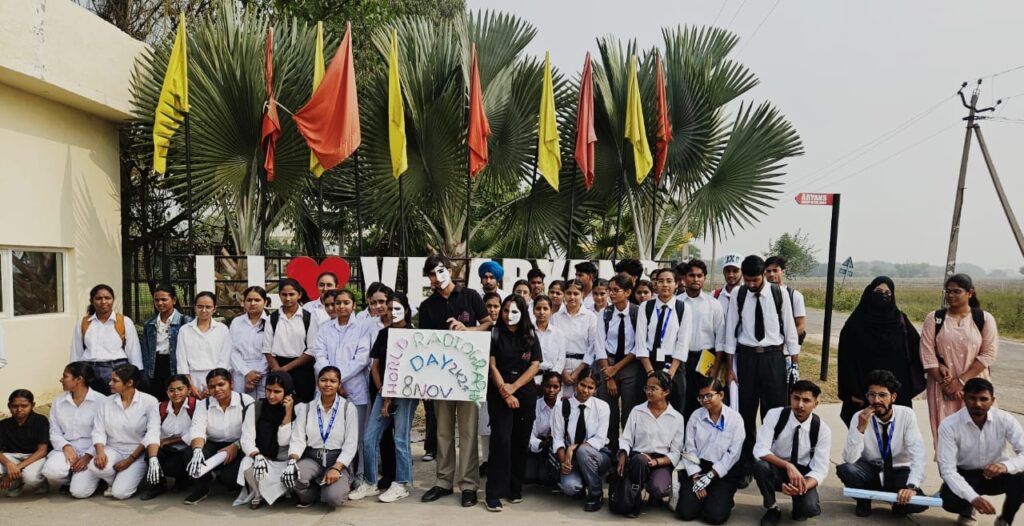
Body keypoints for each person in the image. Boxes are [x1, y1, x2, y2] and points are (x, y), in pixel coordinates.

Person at [417, 255, 491, 507]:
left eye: (440, 271)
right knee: (443, 432)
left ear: (449, 270)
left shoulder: (470, 296)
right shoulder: (427, 306)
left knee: (468, 432)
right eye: (431, 274)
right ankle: (443, 482)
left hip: (468, 376)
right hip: (440, 379)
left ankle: (468, 485)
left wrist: (467, 330)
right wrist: (424, 382)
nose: (436, 277)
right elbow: (424, 345)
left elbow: (488, 323)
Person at [724, 255, 801, 478]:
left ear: (763, 275)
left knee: (775, 411)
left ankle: (773, 463)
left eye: (754, 280)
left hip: (773, 358)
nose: (750, 284)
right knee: (746, 412)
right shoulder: (739, 294)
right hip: (747, 358)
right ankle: (747, 463)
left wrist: (794, 366)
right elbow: (730, 332)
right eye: (747, 280)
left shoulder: (779, 294)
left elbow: (790, 331)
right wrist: (729, 368)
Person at [351, 292, 416, 503]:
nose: (392, 312)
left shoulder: (416, 334)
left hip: (405, 394)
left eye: (397, 308)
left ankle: (402, 483)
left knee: (400, 438)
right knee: (369, 438)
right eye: (389, 308)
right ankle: (370, 481)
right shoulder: (384, 334)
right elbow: (375, 366)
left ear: (406, 309)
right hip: (384, 392)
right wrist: (382, 390)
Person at [920, 273, 999, 444]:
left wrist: (961, 382)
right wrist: (947, 385)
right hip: (942, 386)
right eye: (948, 291)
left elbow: (988, 353)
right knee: (946, 436)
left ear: (970, 293)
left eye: (957, 291)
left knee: (981, 435)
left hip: (976, 385)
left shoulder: (984, 319)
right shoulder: (934, 318)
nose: (951, 295)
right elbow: (927, 354)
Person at [837, 370, 927, 517]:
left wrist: (912, 486)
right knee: (847, 470)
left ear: (893, 397)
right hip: (871, 469)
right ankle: (864, 499)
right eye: (872, 395)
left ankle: (899, 502)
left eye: (882, 395)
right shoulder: (859, 417)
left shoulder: (906, 415)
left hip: (899, 470)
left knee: (917, 504)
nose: (876, 400)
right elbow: (850, 459)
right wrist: (860, 429)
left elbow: (918, 453)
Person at [837, 277, 925, 426]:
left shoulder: (900, 320)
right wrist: (852, 391)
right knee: (864, 433)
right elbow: (846, 360)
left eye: (887, 293)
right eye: (878, 292)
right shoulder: (855, 323)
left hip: (896, 391)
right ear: (869, 293)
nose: (883, 296)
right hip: (864, 391)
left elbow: (919, 348)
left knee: (897, 432)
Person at [938, 378, 1024, 526]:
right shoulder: (949, 425)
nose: (977, 404)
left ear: (992, 400)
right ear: (964, 398)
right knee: (949, 500)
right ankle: (966, 511)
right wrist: (973, 498)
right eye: (972, 398)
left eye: (983, 399)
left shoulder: (1005, 419)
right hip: (965, 474)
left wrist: (1005, 466)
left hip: (997, 474)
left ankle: (1005, 519)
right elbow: (947, 470)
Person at [483, 295, 542, 512]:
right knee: (501, 441)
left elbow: (535, 365)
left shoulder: (530, 334)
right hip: (499, 390)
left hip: (524, 391)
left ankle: (514, 488)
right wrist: (505, 392)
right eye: (506, 310)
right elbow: (491, 365)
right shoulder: (495, 333)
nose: (509, 315)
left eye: (514, 311)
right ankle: (493, 493)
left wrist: (514, 387)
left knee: (520, 440)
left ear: (523, 313)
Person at [73, 364, 161, 500]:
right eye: (111, 379)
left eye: (115, 380)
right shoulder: (105, 402)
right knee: (87, 480)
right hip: (112, 449)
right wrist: (100, 453)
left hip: (137, 453)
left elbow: (152, 433)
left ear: (129, 383)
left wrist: (130, 460)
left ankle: (128, 480)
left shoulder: (150, 402)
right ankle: (111, 481)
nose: (110, 383)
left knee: (120, 493)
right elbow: (98, 431)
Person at [310, 289, 372, 481]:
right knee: (331, 434)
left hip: (354, 388)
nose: (341, 306)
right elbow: (319, 355)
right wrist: (332, 381)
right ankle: (332, 472)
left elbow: (361, 359)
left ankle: (359, 475)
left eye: (346, 303)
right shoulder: (325, 328)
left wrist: (336, 380)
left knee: (357, 435)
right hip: (327, 389)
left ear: (354, 305)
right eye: (338, 303)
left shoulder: (363, 327)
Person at [751, 380, 832, 526]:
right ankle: (772, 507)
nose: (800, 405)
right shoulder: (775, 415)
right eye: (796, 398)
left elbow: (820, 469)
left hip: (802, 475)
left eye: (806, 400)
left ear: (816, 403)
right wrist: (788, 466)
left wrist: (803, 486)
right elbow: (760, 450)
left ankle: (799, 503)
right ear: (790, 398)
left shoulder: (822, 430)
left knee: (809, 509)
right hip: (778, 467)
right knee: (760, 466)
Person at [285, 366, 360, 509]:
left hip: (336, 459)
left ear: (339, 385)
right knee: (294, 474)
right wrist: (292, 461)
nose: (327, 384)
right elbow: (298, 438)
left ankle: (331, 488)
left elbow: (351, 444)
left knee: (333, 499)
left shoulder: (348, 408)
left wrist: (336, 468)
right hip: (312, 457)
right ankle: (311, 494)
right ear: (317, 383)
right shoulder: (307, 408)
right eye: (323, 380)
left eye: (333, 381)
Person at [615, 372, 686, 516]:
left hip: (661, 461)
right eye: (647, 388)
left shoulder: (677, 418)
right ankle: (634, 501)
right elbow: (626, 438)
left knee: (660, 488)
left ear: (666, 392)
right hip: (638, 459)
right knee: (641, 461)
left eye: (654, 389)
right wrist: (623, 454)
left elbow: (676, 452)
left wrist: (656, 462)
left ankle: (654, 495)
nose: (649, 392)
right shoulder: (637, 411)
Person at [677, 378, 746, 525]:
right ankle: (708, 498)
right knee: (685, 512)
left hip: (723, 470)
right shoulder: (696, 416)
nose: (704, 400)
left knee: (715, 517)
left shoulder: (735, 419)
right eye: (701, 397)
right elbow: (689, 448)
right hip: (700, 467)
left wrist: (710, 476)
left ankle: (722, 498)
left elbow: (733, 454)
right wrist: (696, 477)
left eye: (709, 395)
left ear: (721, 395)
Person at [183, 369, 255, 505]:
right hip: (213, 444)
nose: (217, 389)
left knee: (231, 478)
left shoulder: (246, 401)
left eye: (221, 384)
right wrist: (197, 450)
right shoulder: (204, 404)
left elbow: (253, 431)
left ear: (231, 384)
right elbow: (197, 429)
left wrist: (236, 445)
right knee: (190, 454)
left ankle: (224, 478)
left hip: (239, 445)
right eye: (212, 386)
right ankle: (202, 488)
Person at [593, 274, 642, 452]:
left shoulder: (638, 312)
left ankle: (627, 451)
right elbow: (600, 345)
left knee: (629, 410)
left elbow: (639, 346)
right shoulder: (605, 313)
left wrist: (616, 368)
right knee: (608, 411)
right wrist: (609, 375)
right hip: (607, 364)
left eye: (616, 290)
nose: (611, 294)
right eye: (610, 290)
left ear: (627, 292)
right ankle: (611, 450)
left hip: (629, 364)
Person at [236, 371, 297, 509]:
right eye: (268, 390)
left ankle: (283, 492)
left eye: (277, 391)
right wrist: (257, 455)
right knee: (247, 463)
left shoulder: (298, 409)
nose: (271, 395)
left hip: (286, 461)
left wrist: (288, 414)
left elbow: (284, 441)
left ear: (287, 392)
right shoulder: (256, 407)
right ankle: (258, 494)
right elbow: (246, 439)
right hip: (264, 458)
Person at [42, 362, 105, 493]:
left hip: (92, 449)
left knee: (79, 492)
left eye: (65, 376)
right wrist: (66, 446)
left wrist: (88, 456)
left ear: (79, 379)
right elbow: (54, 431)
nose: (61, 380)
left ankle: (97, 480)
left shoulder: (101, 401)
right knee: (51, 471)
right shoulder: (58, 402)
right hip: (66, 448)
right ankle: (70, 479)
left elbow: (104, 434)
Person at [635, 268, 692, 412]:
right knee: (646, 408)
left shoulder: (683, 308)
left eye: (669, 281)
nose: (665, 285)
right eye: (660, 281)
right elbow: (641, 342)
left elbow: (683, 343)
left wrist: (669, 375)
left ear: (676, 284)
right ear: (655, 284)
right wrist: (651, 374)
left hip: (673, 365)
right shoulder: (646, 307)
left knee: (675, 408)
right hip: (649, 363)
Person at [552, 374, 611, 512]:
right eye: (582, 385)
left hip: (598, 456)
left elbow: (600, 438)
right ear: (576, 383)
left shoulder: (602, 407)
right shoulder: (561, 406)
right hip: (572, 458)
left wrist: (574, 447)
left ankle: (596, 494)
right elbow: (558, 438)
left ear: (595, 390)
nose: (585, 390)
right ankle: (582, 482)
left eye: (590, 387)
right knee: (570, 487)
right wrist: (564, 463)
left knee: (583, 451)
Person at [70, 284, 143, 392]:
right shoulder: (83, 323)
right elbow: (76, 351)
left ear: (113, 300)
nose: (103, 301)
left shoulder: (124, 321)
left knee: (116, 400)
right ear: (91, 301)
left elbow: (133, 349)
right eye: (98, 298)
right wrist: (74, 373)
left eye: (107, 298)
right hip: (90, 371)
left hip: (117, 371)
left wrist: (137, 374)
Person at [677, 260, 726, 418]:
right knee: (682, 401)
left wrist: (716, 367)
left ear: (704, 278)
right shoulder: (676, 303)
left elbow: (720, 340)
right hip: (681, 358)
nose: (696, 279)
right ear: (684, 278)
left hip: (706, 358)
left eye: (700, 276)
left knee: (705, 401)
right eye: (692, 275)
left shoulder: (714, 304)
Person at [139, 374, 196, 500]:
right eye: (171, 390)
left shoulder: (196, 406)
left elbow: (198, 431)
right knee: (151, 452)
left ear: (189, 390)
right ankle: (158, 485)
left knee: (176, 465)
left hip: (186, 449)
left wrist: (171, 440)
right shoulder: (159, 408)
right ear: (167, 392)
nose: (176, 393)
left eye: (180, 389)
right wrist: (153, 458)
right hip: (167, 449)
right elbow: (153, 431)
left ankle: (185, 479)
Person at [263, 278, 319, 402]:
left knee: (301, 405)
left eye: (291, 294)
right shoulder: (272, 318)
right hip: (277, 366)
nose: (288, 298)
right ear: (279, 295)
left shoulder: (309, 318)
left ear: (299, 295)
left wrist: (285, 369)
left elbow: (311, 350)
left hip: (302, 369)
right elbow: (267, 349)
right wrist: (277, 370)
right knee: (278, 404)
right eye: (284, 294)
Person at [176, 291, 231, 397]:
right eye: (200, 306)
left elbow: (224, 360)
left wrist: (212, 386)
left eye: (208, 307)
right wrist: (190, 385)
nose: (204, 310)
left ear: (214, 308)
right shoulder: (185, 330)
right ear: (195, 307)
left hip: (216, 380)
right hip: (191, 379)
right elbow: (181, 361)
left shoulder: (222, 330)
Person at [141, 284, 191, 400]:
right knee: (157, 400)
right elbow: (146, 349)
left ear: (173, 300)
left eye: (164, 299)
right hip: (155, 366)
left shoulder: (185, 322)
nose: (160, 303)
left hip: (175, 364)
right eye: (156, 300)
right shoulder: (149, 324)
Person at [553, 279, 601, 399]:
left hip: (583, 366)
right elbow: (553, 346)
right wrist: (562, 372)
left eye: (576, 294)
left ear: (582, 294)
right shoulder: (556, 317)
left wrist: (578, 371)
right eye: (569, 293)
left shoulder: (590, 317)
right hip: (560, 366)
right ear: (564, 294)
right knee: (560, 402)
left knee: (580, 402)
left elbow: (593, 346)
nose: (572, 297)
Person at [0, 389, 49, 496]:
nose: (19, 409)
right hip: (13, 457)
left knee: (31, 478)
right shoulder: (3, 424)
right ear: (9, 406)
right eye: (14, 406)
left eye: (24, 406)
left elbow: (42, 451)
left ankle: (41, 484)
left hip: (35, 456)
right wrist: (8, 464)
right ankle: (16, 484)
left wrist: (17, 467)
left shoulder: (40, 420)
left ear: (32, 405)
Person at [230, 286, 271, 399]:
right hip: (240, 373)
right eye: (249, 300)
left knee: (261, 406)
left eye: (257, 300)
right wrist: (247, 372)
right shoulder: (236, 322)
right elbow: (232, 350)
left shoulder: (271, 322)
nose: (253, 303)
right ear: (243, 302)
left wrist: (255, 376)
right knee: (240, 405)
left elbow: (270, 351)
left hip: (263, 373)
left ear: (265, 302)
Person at [526, 372, 562, 486]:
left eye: (555, 387)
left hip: (559, 449)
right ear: (542, 385)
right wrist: (542, 443)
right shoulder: (534, 406)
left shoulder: (565, 406)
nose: (551, 390)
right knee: (528, 476)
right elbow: (530, 436)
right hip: (540, 447)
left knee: (547, 478)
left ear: (560, 388)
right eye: (547, 386)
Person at [764, 256, 807, 346]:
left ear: (783, 272)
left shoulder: (795, 296)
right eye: (768, 271)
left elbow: (800, 326)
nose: (771, 274)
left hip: (785, 349)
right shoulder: (759, 295)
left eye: (775, 270)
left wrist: (785, 342)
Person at [533, 295, 566, 385]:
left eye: (545, 309)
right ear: (533, 311)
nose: (541, 312)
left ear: (551, 311)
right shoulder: (527, 332)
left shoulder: (558, 334)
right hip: (530, 379)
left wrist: (552, 378)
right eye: (538, 308)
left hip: (552, 380)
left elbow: (561, 360)